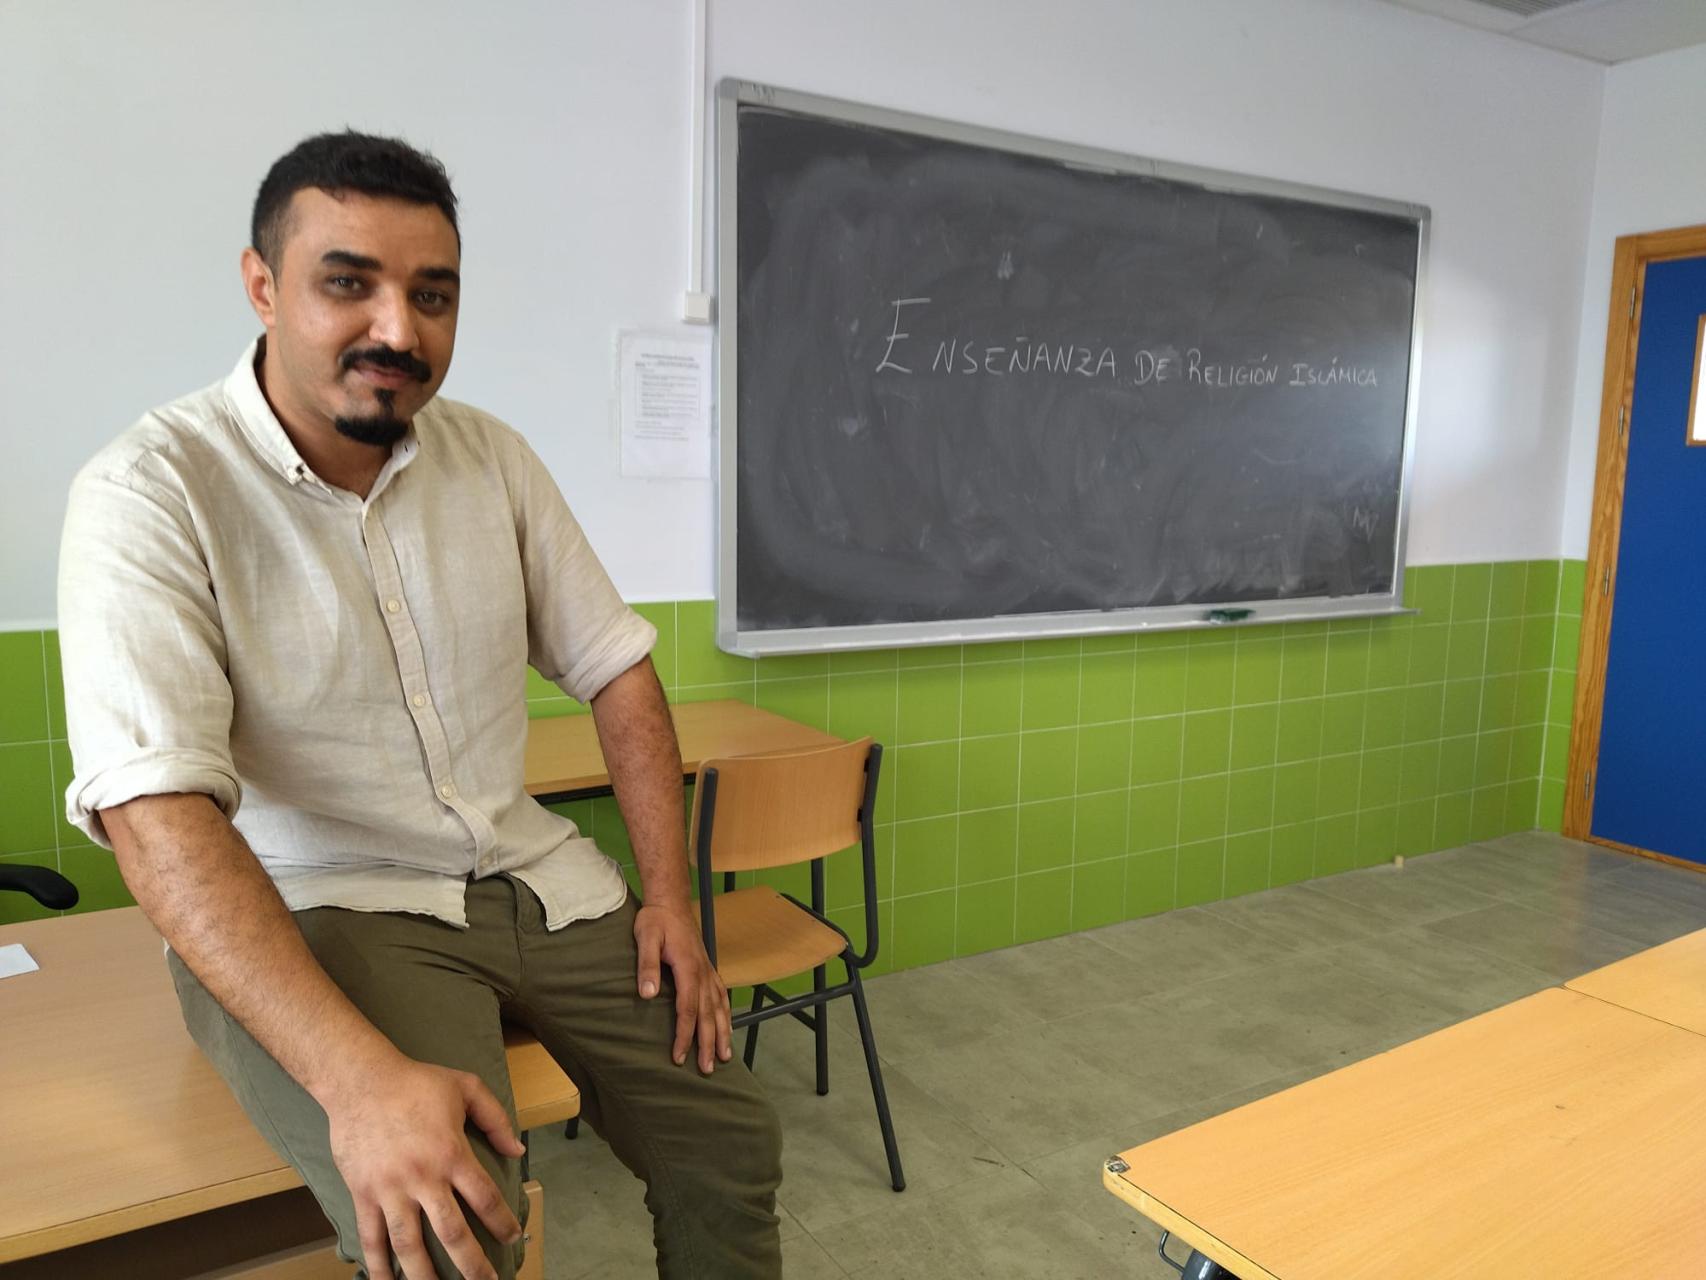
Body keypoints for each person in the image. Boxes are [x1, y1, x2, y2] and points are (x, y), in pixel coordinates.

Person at [58, 130, 783, 1280]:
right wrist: (356, 1079)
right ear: (262, 285)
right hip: (324, 902)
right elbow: (157, 812)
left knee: (732, 1142)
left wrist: (669, 898)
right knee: (455, 1225)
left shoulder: (489, 457)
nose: (397, 329)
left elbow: (617, 667)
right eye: (348, 282)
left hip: (531, 877)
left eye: (430, 294)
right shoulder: (149, 491)